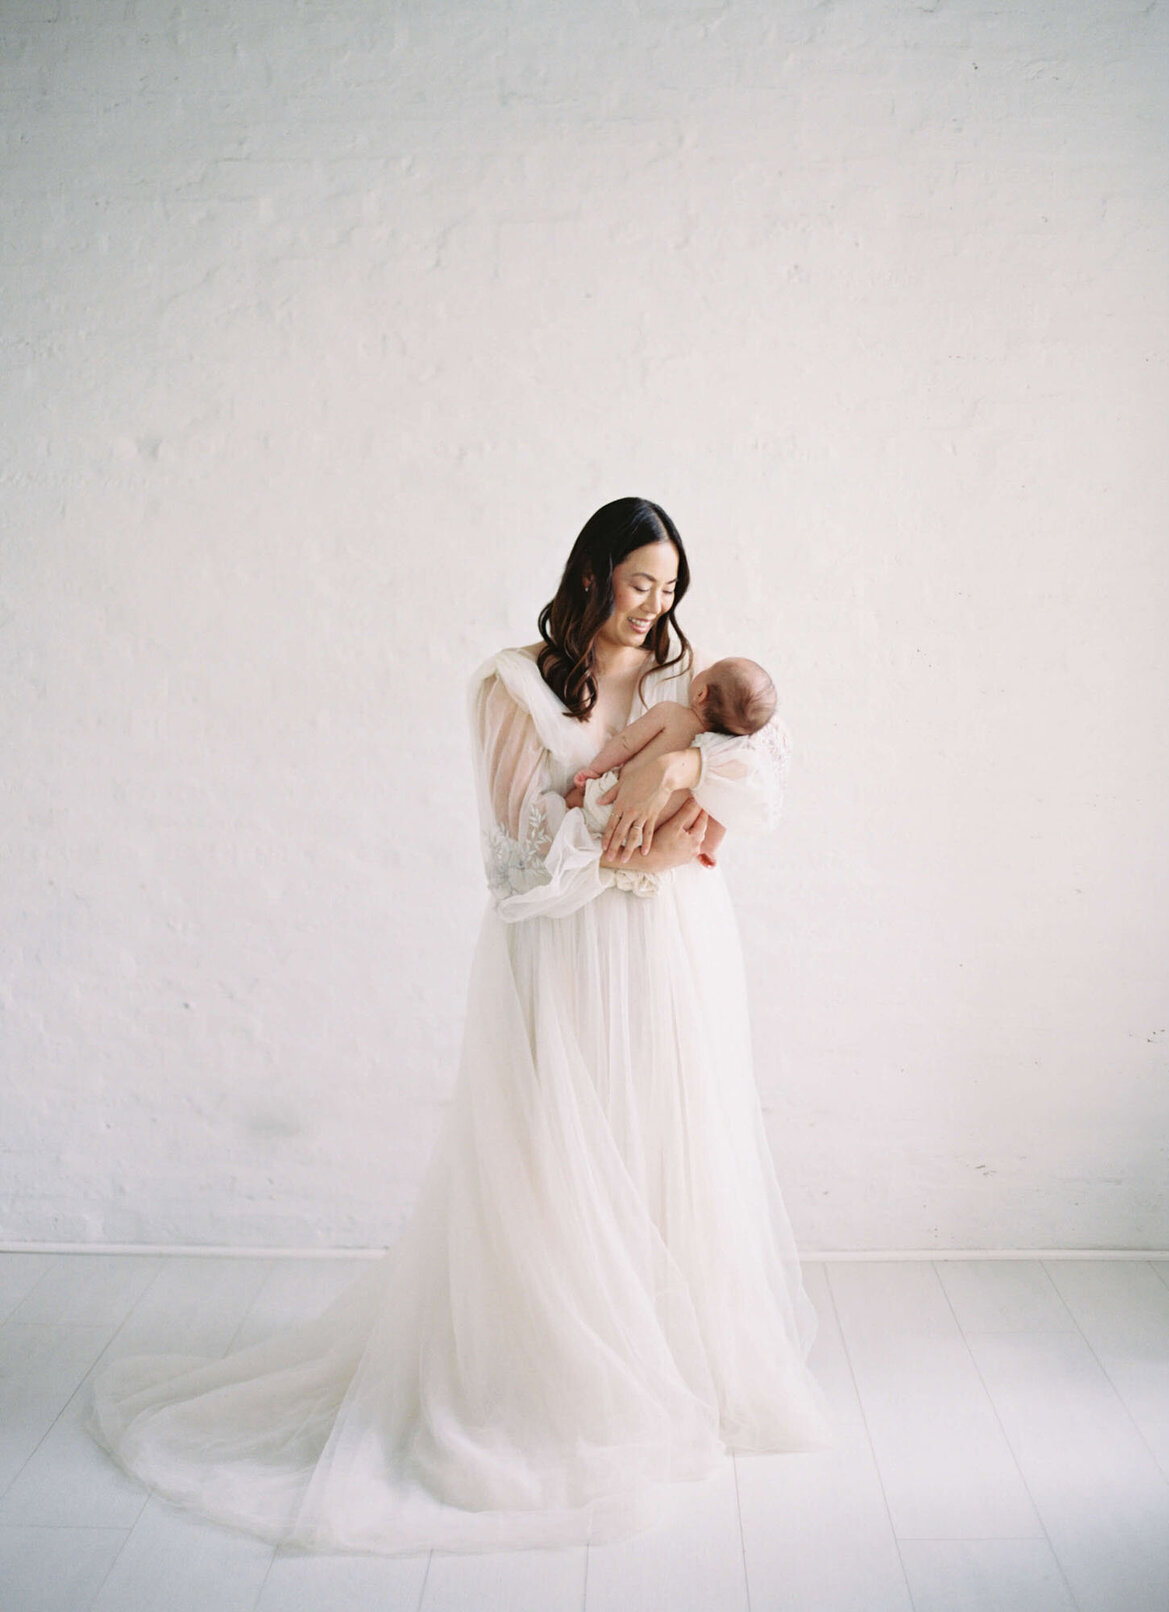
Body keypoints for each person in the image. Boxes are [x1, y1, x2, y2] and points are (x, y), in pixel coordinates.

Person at [88, 496, 833, 1555]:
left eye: (669, 590)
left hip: (673, 953)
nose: (654, 607)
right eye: (638, 585)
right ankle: (557, 1373)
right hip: (561, 952)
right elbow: (519, 856)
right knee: (560, 1159)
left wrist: (674, 768)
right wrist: (639, 816)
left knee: (668, 1143)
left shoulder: (692, 677)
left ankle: (675, 1363)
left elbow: (749, 792)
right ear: (591, 577)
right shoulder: (514, 685)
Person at [569, 654, 778, 868]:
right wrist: (708, 847)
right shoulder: (719, 761)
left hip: (611, 804)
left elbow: (625, 743)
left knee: (568, 805)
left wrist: (595, 770)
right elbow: (721, 811)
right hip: (650, 838)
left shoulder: (670, 714)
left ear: (700, 694)